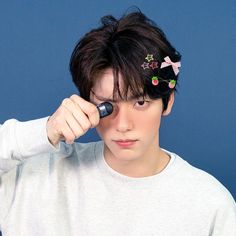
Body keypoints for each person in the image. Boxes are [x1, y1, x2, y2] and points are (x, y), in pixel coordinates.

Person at [0, 10, 235, 236]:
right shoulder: (36, 175)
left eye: (140, 103)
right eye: (107, 106)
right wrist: (45, 131)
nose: (123, 125)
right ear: (88, 104)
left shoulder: (209, 204)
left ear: (167, 102)